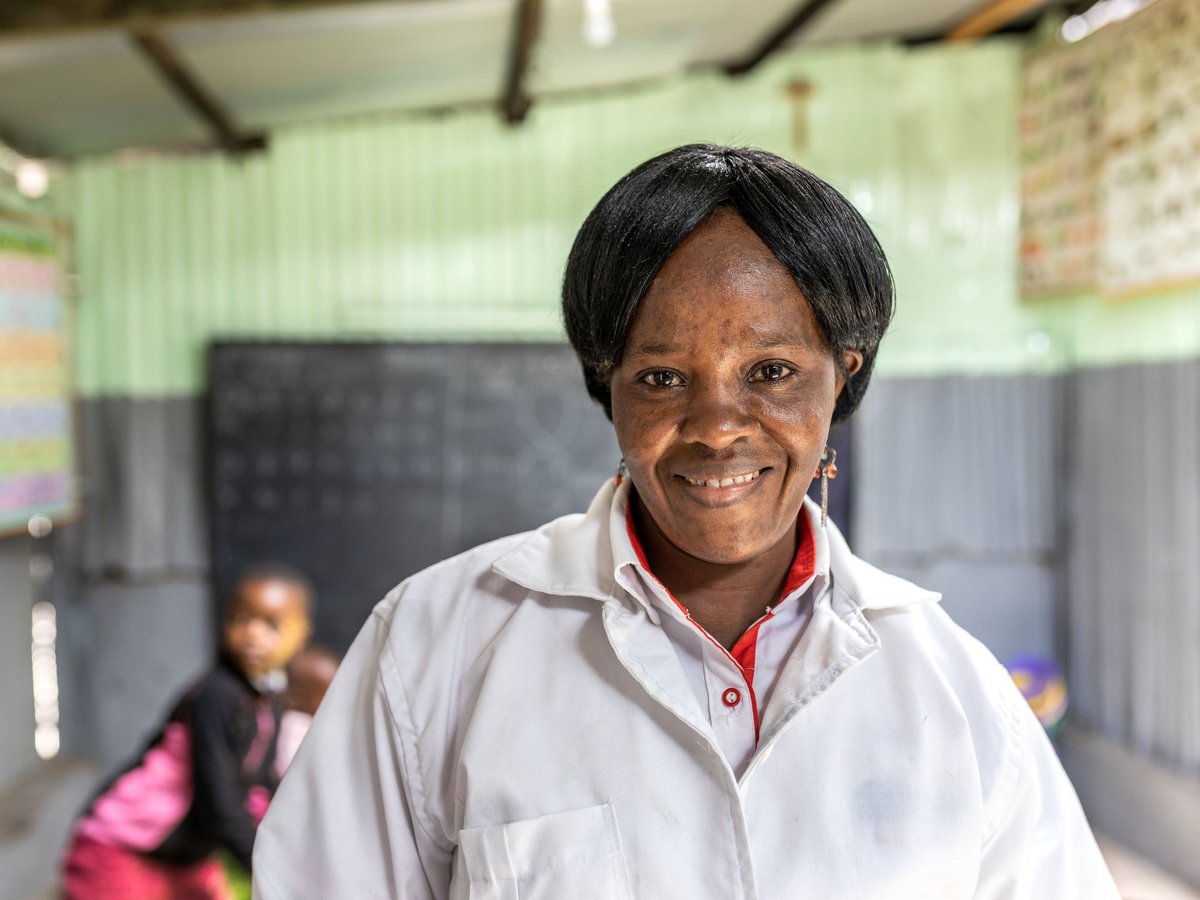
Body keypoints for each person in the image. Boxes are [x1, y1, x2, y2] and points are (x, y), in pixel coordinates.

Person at [253, 145, 1119, 898]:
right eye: (663, 377)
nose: (717, 425)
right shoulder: (433, 646)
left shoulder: (955, 693)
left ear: (841, 377)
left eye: (772, 370)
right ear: (609, 383)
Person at [63, 563, 313, 900]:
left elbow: (262, 782)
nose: (253, 634)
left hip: (184, 858)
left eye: (271, 624)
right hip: (122, 849)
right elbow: (217, 799)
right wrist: (268, 866)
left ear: (301, 633)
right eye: (241, 619)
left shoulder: (271, 698)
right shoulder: (217, 695)